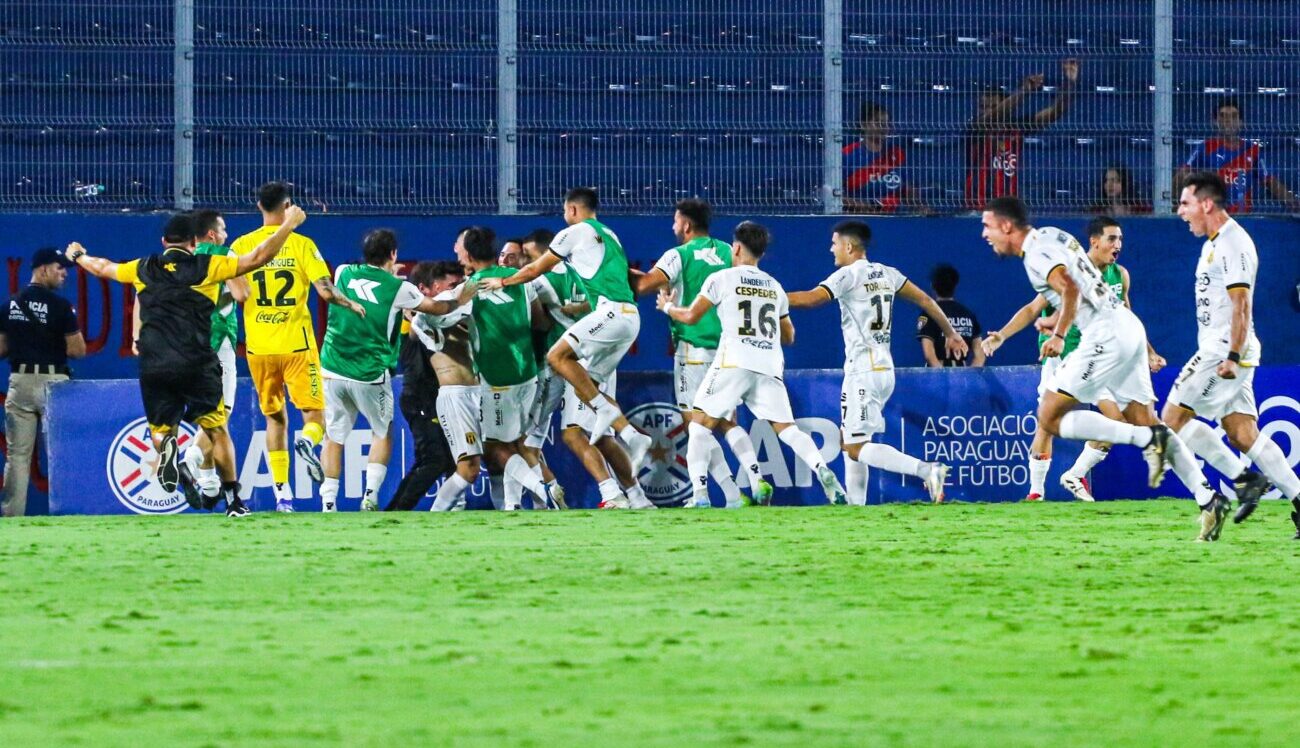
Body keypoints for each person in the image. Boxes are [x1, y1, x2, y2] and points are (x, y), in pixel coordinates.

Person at [979, 196, 1232, 541]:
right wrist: (1053, 317)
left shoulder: (1036, 255)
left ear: (1006, 226)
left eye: (988, 226)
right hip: (1126, 327)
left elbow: (1069, 289)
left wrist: (1058, 333)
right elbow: (1076, 289)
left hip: (1104, 335)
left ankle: (1146, 440)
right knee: (1148, 419)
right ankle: (1208, 498)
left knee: (1049, 416)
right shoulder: (1051, 235)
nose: (984, 234)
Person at [67, 208, 310, 516]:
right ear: (194, 242)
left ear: (164, 241)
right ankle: (234, 501)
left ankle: (167, 448)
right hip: (196, 360)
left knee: (161, 429)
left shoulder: (143, 268)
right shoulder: (207, 265)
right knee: (216, 429)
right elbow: (258, 257)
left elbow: (102, 267)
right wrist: (289, 224)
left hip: (154, 362)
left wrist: (78, 256)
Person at [658, 221, 847, 507]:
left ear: (735, 248)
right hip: (769, 365)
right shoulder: (774, 286)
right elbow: (790, 336)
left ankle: (700, 495)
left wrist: (668, 307)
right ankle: (823, 471)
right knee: (788, 430)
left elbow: (691, 317)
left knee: (699, 425)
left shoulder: (722, 278)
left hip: (734, 361)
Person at [984, 216, 1167, 502]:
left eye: (1120, 239)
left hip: (1101, 353)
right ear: (1093, 241)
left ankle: (1076, 473)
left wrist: (1149, 352)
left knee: (1116, 418)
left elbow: (1126, 317)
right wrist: (1004, 336)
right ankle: (1036, 492)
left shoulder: (1120, 276)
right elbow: (1033, 309)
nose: (1117, 245)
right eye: (1111, 238)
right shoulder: (1071, 267)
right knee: (1047, 420)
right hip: (1064, 354)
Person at [787, 220, 964, 505]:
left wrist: (771, 297)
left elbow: (810, 299)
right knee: (852, 438)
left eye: (834, 243)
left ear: (848, 246)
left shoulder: (848, 275)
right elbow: (927, 302)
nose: (831, 249)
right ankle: (857, 507)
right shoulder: (887, 273)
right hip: (883, 368)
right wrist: (951, 333)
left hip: (862, 370)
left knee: (854, 447)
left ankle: (926, 470)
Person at [481, 188, 652, 479]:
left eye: (564, 210)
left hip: (610, 314)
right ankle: (633, 436)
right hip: (631, 318)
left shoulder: (573, 232)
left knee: (557, 356)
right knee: (589, 383)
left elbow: (536, 268)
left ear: (572, 209)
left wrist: (504, 281)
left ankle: (607, 413)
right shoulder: (611, 236)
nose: (564, 215)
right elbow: (625, 279)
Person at [1166, 172, 1296, 538]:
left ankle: (1240, 482)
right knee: (1242, 433)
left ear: (1206, 204)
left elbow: (1242, 304)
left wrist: (1233, 355)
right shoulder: (1213, 243)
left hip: (1223, 350)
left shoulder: (1233, 243)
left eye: (1185, 203)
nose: (1180, 211)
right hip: (1225, 348)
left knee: (1170, 420)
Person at [317, 230, 476, 513]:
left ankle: (328, 503)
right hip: (369, 373)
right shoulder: (400, 289)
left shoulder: (343, 271)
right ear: (393, 254)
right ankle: (370, 497)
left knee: (334, 436)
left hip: (332, 369)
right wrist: (465, 294)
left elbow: (364, 288)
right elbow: (437, 307)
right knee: (382, 432)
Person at [229, 181, 365, 510]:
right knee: (314, 415)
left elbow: (238, 293)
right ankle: (307, 441)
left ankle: (282, 495)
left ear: (259, 206)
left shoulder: (240, 246)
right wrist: (351, 304)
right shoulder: (302, 244)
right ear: (288, 205)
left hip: (259, 348)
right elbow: (325, 291)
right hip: (297, 346)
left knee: (274, 419)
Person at [633, 198, 771, 507]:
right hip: (726, 351)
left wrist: (614, 267)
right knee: (726, 422)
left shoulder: (678, 255)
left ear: (686, 224)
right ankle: (750, 482)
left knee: (696, 425)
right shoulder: (728, 251)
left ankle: (705, 495)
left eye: (675, 220)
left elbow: (643, 285)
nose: (673, 226)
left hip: (692, 352)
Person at [0, 248, 86, 517]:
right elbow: (77, 351)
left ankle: (11, 518)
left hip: (21, 382)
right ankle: (67, 513)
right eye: (59, 268)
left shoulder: (10, 305)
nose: (63, 273)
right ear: (42, 269)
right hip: (55, 386)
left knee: (18, 457)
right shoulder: (61, 307)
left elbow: (1, 349)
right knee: (61, 454)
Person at [177, 209, 248, 502]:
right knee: (223, 413)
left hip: (188, 344)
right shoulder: (222, 255)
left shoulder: (183, 258)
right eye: (224, 229)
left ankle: (209, 487)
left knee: (208, 416)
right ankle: (190, 460)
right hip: (219, 343)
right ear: (211, 234)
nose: (227, 234)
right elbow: (241, 293)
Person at [386, 261, 462, 511]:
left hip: (437, 397)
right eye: (450, 286)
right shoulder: (412, 317)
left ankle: (450, 511)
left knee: (449, 459)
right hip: (421, 397)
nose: (454, 293)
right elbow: (412, 331)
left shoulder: (444, 316)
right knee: (434, 459)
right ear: (424, 289)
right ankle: (399, 512)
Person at [519, 228, 585, 508]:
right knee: (534, 441)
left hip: (555, 365)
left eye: (529, 255)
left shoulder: (539, 281)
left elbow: (528, 316)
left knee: (522, 439)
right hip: (583, 358)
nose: (526, 262)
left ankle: (549, 490)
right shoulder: (578, 272)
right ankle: (541, 503)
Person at [965, 59, 1080, 207]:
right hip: (977, 211)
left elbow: (1055, 113)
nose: (987, 111)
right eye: (983, 107)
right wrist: (1024, 91)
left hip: (1009, 212)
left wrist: (1070, 82)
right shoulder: (975, 128)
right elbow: (994, 116)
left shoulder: (1016, 128)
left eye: (992, 106)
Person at [1176, 99, 1300, 215]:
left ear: (1241, 122)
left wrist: (1294, 203)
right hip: (1213, 216)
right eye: (1223, 116)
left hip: (1243, 218)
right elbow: (1183, 174)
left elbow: (1270, 181)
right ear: (1215, 121)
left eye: (1234, 116)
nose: (1228, 120)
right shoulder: (1205, 147)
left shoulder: (1252, 150)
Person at [842, 102, 925, 214]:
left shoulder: (898, 154)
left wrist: (920, 207)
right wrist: (859, 204)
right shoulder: (847, 154)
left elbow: (908, 190)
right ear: (863, 124)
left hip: (893, 218)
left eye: (886, 123)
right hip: (857, 216)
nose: (883, 127)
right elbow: (833, 194)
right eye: (877, 122)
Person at [916, 264, 985, 368]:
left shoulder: (929, 314)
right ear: (955, 285)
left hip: (935, 375)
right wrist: (969, 378)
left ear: (933, 286)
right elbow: (980, 356)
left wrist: (941, 377)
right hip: (962, 375)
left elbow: (929, 354)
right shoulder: (968, 315)